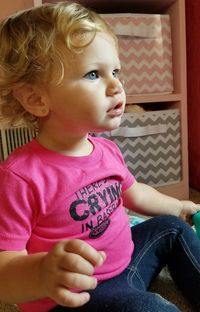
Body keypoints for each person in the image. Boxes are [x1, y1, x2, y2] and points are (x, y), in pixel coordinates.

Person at [0, 2, 200, 312]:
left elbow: (133, 191)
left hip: (126, 263)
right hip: (78, 296)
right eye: (94, 74)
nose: (116, 86)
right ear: (37, 99)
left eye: (115, 72)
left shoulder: (105, 149)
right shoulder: (21, 176)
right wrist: (41, 273)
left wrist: (180, 206)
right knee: (149, 308)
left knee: (172, 228)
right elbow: (4, 268)